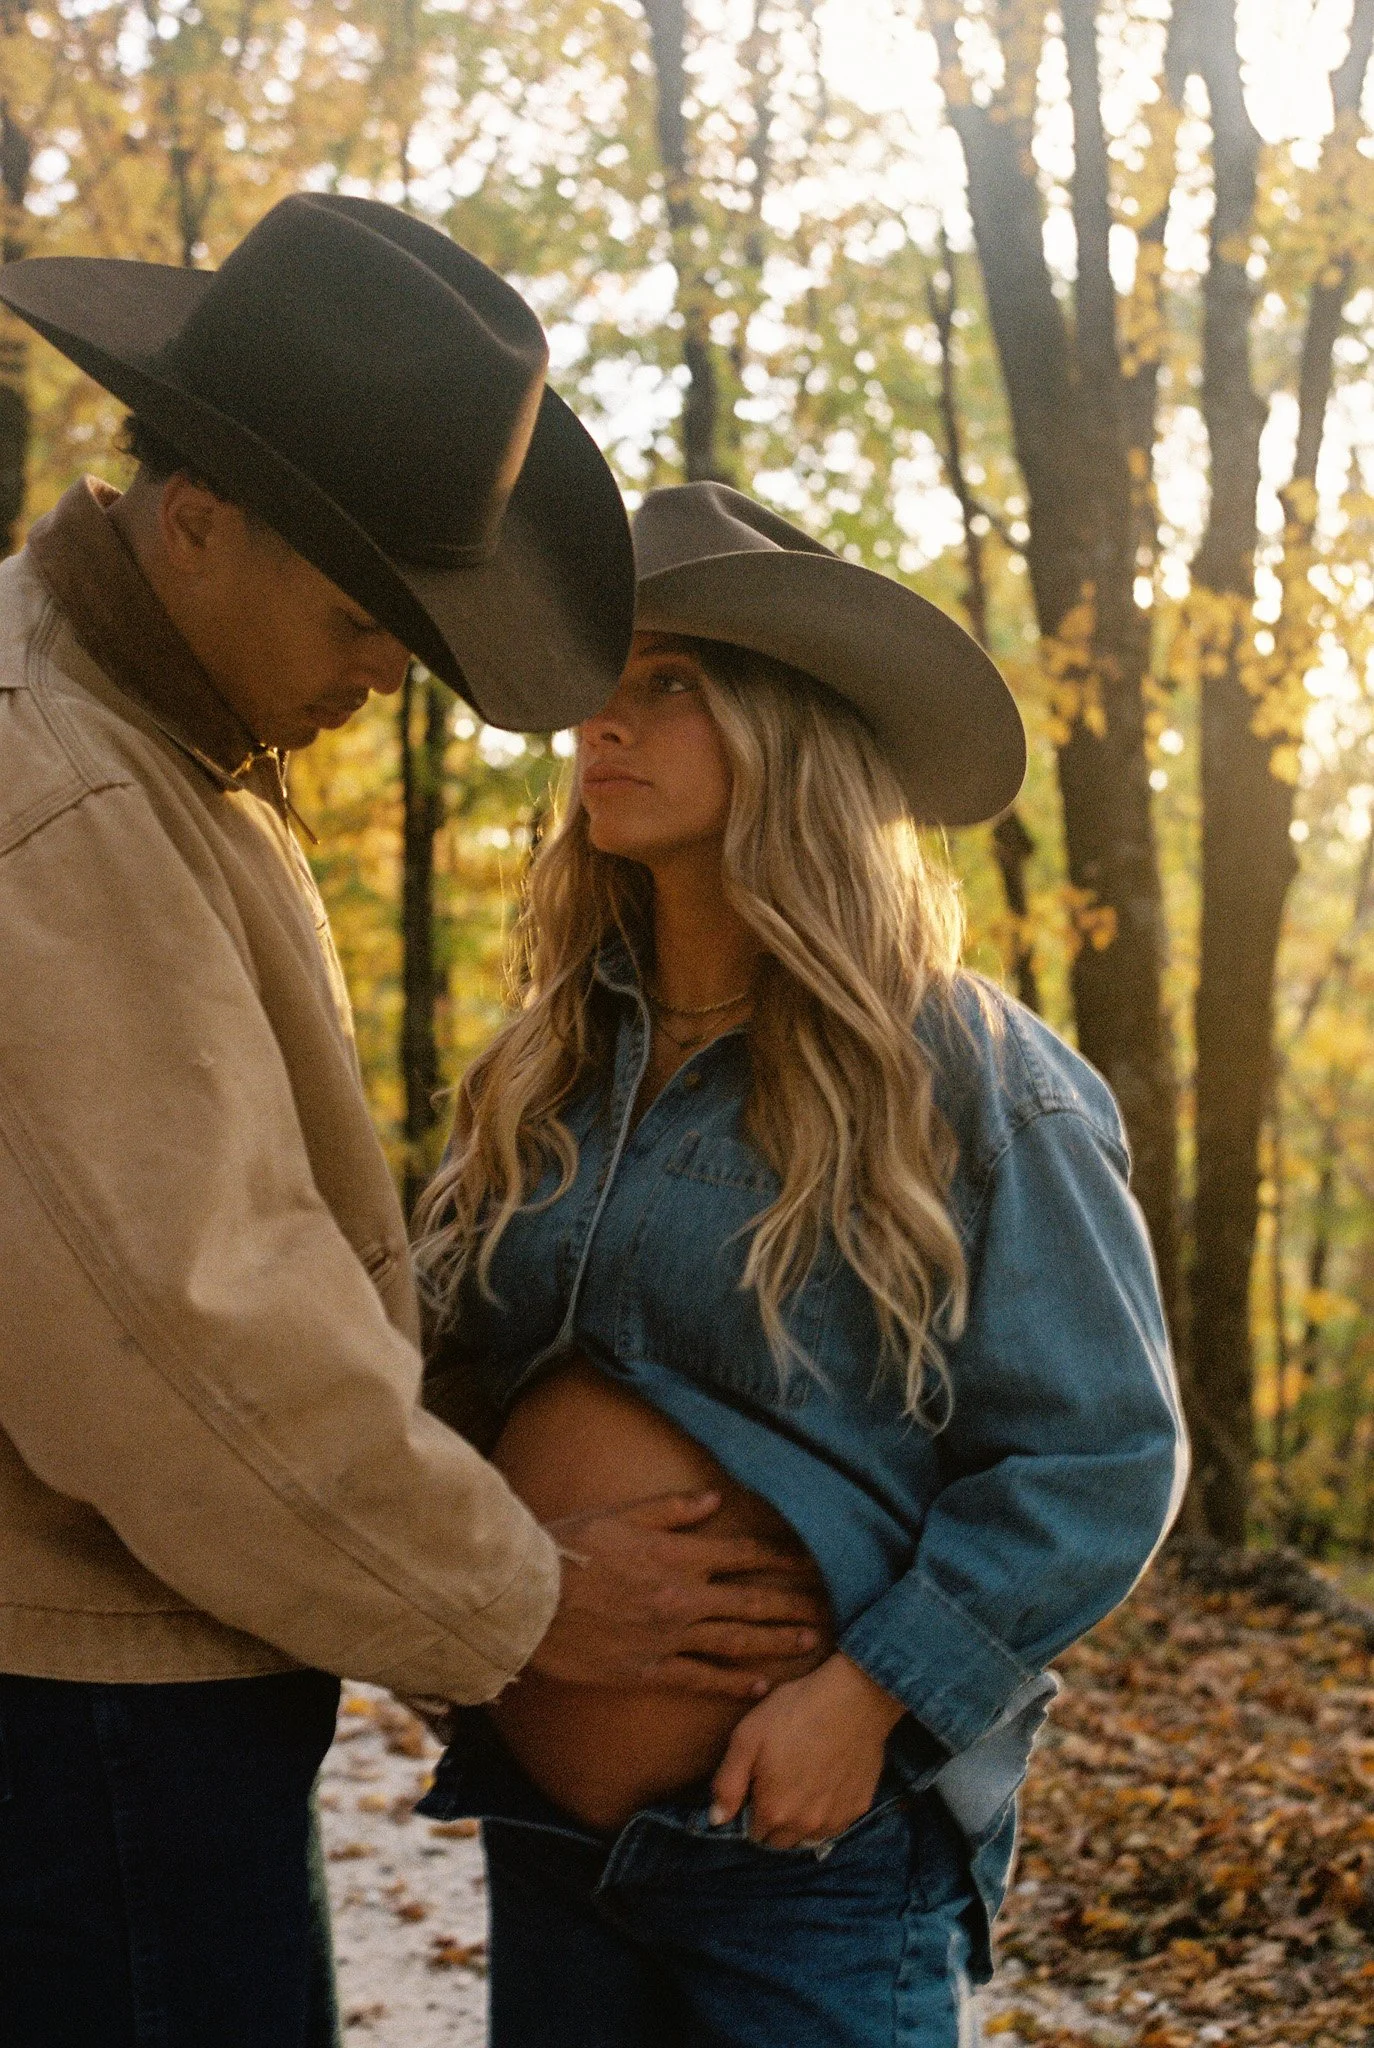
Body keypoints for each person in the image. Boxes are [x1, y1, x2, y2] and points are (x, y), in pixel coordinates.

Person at [0, 206, 826, 2048]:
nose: (387, 673)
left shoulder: (173, 745)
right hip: (86, 1730)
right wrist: (523, 1598)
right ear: (193, 512)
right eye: (363, 614)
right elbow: (179, 1337)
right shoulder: (58, 798)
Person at [414, 483, 1188, 2047]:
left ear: (792, 727)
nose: (599, 732)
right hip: (547, 1845)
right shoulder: (540, 1067)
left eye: (668, 686)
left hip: (809, 1859)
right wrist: (473, 1608)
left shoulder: (965, 1075)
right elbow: (439, 1392)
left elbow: (1102, 1453)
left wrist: (866, 1698)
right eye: (595, 692)